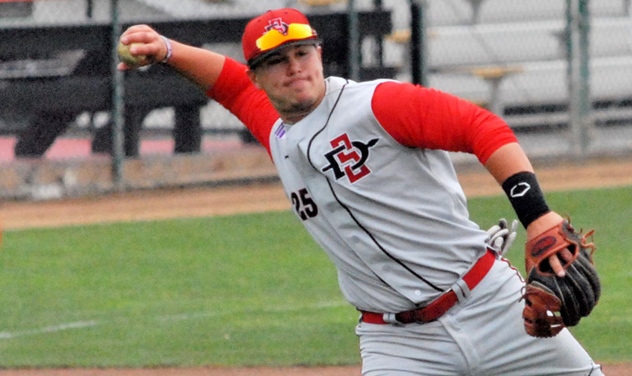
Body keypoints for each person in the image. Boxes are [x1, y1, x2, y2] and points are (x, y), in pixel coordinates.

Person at [118, 8, 604, 376]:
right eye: (276, 61)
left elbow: (483, 127)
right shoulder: (277, 130)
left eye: (302, 53)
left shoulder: (377, 104)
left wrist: (536, 214)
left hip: (491, 306)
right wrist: (166, 49)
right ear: (258, 76)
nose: (294, 68)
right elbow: (230, 85)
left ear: (319, 53)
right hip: (398, 342)